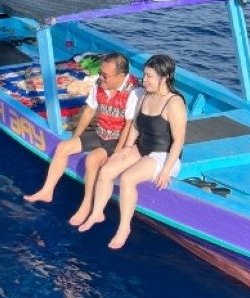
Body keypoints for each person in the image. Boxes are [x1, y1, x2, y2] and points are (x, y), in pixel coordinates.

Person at [77, 54, 187, 249]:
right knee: (107, 171)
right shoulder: (144, 95)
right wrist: (127, 148)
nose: (144, 80)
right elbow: (136, 126)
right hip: (142, 147)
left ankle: (124, 228)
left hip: (164, 155)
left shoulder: (174, 103)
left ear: (165, 77)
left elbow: (178, 141)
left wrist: (165, 170)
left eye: (150, 76)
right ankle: (97, 212)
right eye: (144, 75)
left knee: (128, 178)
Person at [23, 52, 142, 226]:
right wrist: (77, 137)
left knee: (92, 160)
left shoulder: (134, 92)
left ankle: (87, 205)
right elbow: (89, 111)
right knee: (64, 147)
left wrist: (117, 154)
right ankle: (47, 191)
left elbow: (129, 126)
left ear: (121, 76)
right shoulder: (100, 84)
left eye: (106, 75)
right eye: (100, 73)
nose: (101, 78)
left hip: (117, 139)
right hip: (101, 131)